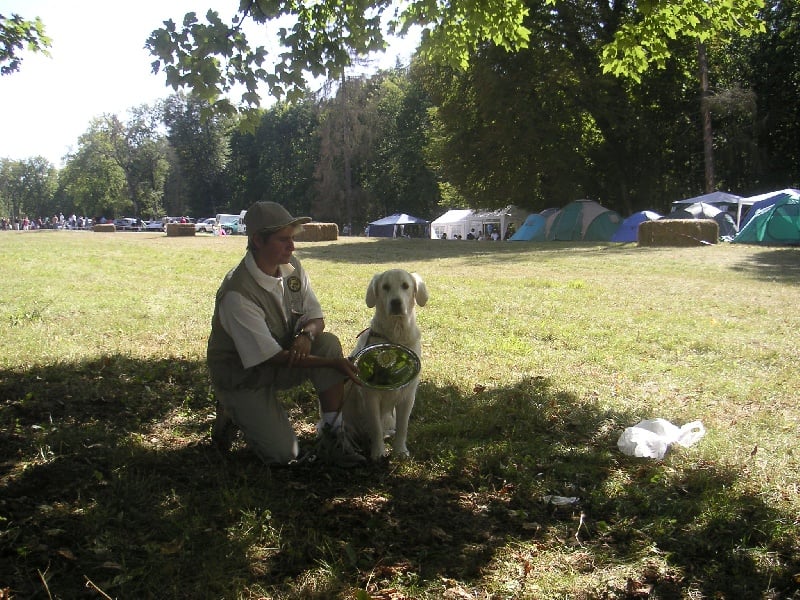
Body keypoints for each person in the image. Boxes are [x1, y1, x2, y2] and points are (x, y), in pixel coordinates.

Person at [206, 201, 365, 467]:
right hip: (243, 376)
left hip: (280, 357)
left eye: (292, 238)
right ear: (257, 240)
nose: (292, 246)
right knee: (285, 455)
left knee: (326, 344)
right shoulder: (238, 293)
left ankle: (333, 435)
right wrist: (333, 364)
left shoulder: (292, 268)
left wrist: (306, 335)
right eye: (283, 240)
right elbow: (270, 357)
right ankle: (231, 408)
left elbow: (316, 318)